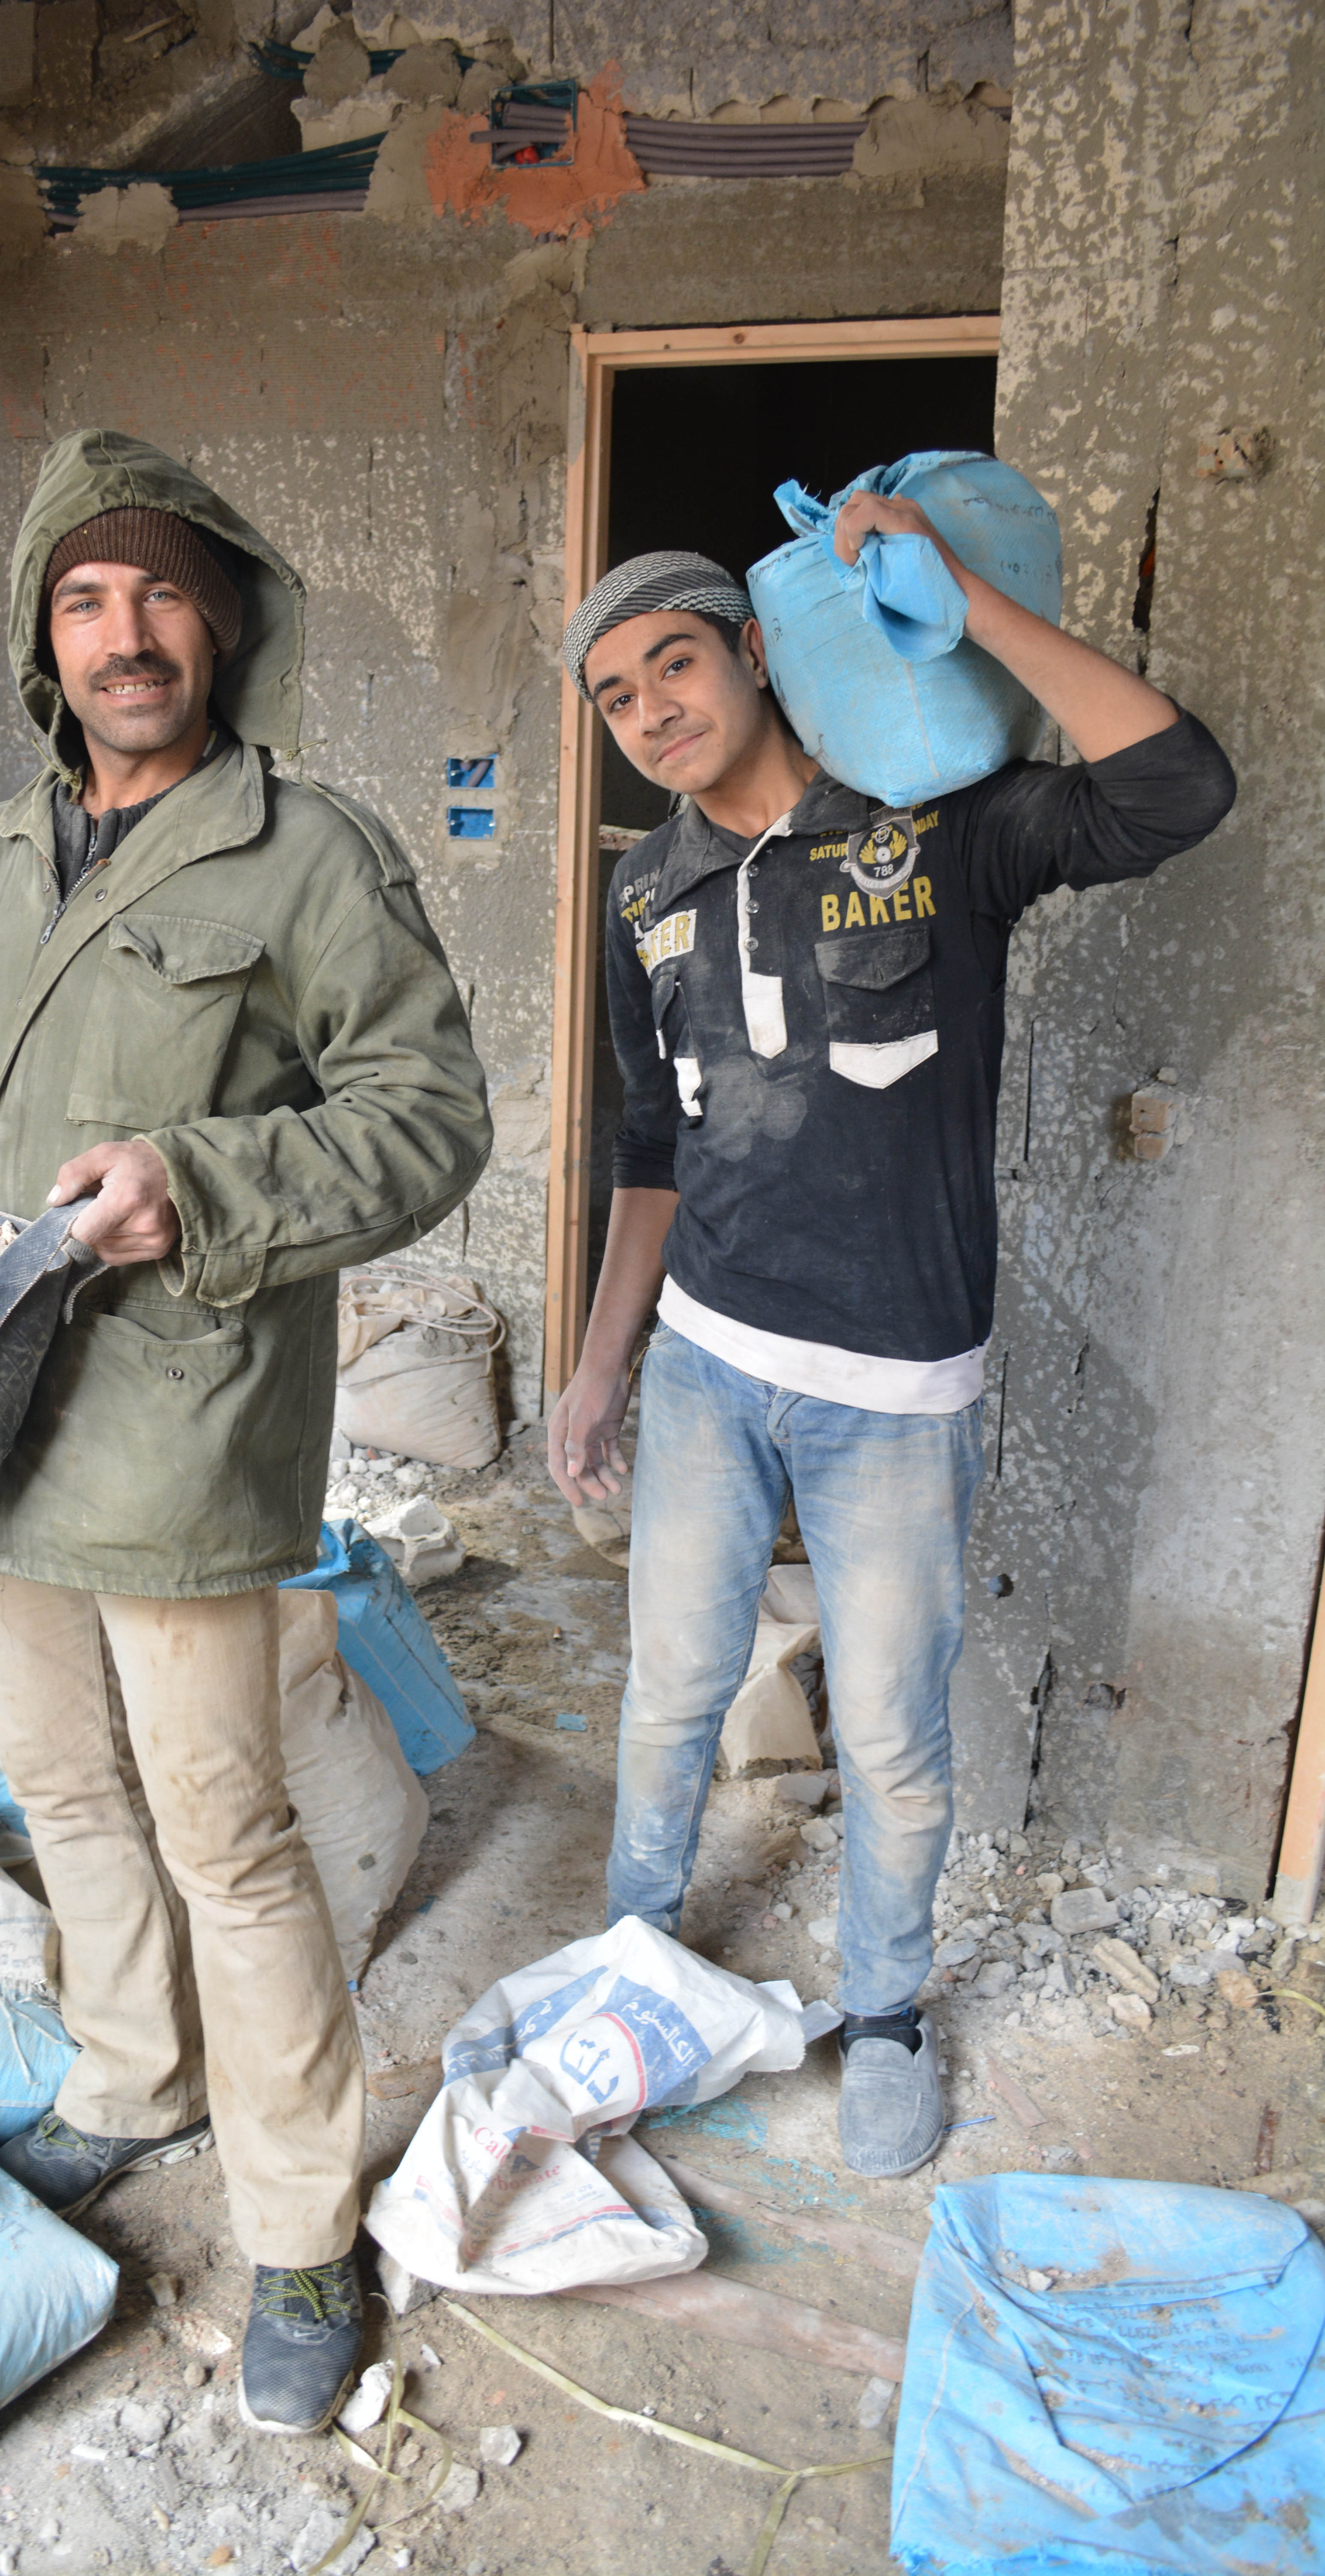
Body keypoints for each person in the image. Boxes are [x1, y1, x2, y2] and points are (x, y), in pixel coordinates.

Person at [0, 428, 491, 2432]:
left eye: (163, 592)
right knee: (64, 1798)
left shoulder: (304, 853)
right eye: (86, 597)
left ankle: (307, 2229)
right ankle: (131, 2082)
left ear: (225, 624)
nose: (127, 631)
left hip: (176, 1424)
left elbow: (428, 1124)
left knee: (229, 1836)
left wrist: (202, 1184)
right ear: (41, 639)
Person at [547, 507, 1236, 2181]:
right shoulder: (645, 887)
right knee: (667, 1705)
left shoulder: (929, 834)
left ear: (754, 654)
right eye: (616, 695)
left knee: (893, 1743)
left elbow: (1173, 791)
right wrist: (594, 1365)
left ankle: (889, 2019)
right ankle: (631, 1974)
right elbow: (653, 1146)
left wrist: (971, 608)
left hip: (893, 1402)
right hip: (708, 1368)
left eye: (676, 664)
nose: (651, 710)